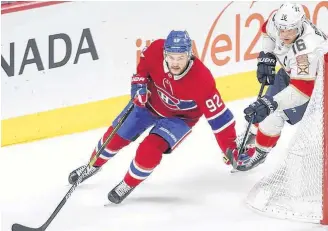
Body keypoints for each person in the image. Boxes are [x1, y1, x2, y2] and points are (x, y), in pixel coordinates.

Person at [67, 30, 253, 204]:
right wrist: (138, 86)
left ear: (190, 55)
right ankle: (91, 166)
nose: (175, 63)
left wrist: (230, 148)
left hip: (179, 119)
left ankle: (128, 183)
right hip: (147, 105)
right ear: (165, 54)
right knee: (113, 139)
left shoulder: (202, 80)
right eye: (171, 57)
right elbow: (142, 71)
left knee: (149, 151)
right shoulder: (155, 50)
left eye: (180, 58)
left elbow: (219, 119)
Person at [235, 3, 328, 171]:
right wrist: (267, 54)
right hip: (291, 74)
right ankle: (253, 134)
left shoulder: (306, 50)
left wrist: (271, 103)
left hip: (316, 88)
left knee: (273, 114)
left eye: (290, 30)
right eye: (281, 30)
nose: (284, 34)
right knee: (263, 106)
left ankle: (260, 152)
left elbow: (302, 92)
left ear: (300, 26)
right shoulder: (277, 22)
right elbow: (266, 30)